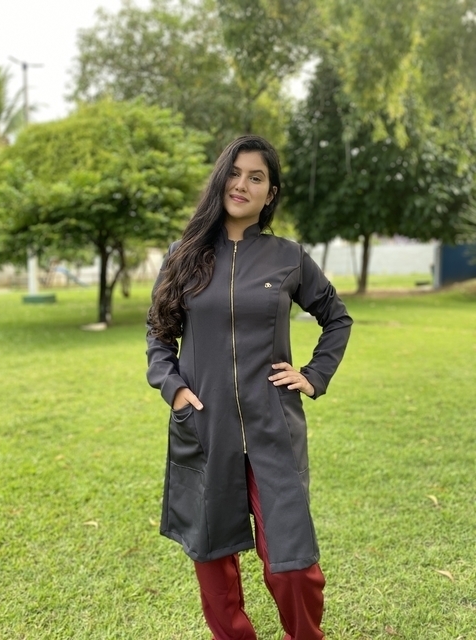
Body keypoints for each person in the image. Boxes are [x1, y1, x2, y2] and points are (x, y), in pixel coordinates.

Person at [146, 135, 352, 640]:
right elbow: (159, 332)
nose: (242, 184)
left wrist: (313, 375)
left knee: (294, 563)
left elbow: (336, 318)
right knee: (212, 557)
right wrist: (173, 388)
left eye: (256, 177)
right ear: (221, 180)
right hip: (205, 426)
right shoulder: (184, 256)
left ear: (270, 193)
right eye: (234, 173)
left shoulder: (289, 257)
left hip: (273, 426)